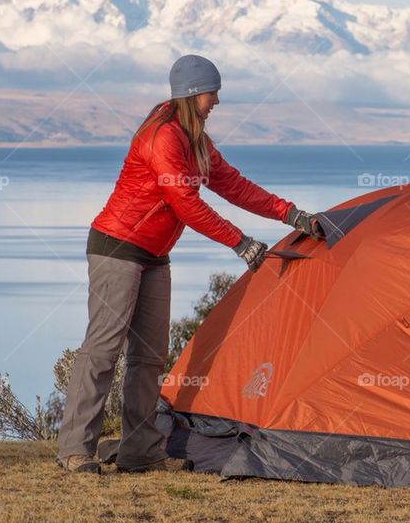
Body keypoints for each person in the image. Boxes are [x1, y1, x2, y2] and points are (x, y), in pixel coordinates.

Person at [56, 55, 325, 473]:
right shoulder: (162, 138)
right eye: (211, 92)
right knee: (103, 351)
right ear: (190, 93)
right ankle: (75, 450)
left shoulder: (194, 138)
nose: (216, 99)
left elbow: (234, 185)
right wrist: (239, 242)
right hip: (117, 249)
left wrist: (291, 214)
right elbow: (184, 202)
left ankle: (140, 450)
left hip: (153, 255)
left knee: (149, 357)